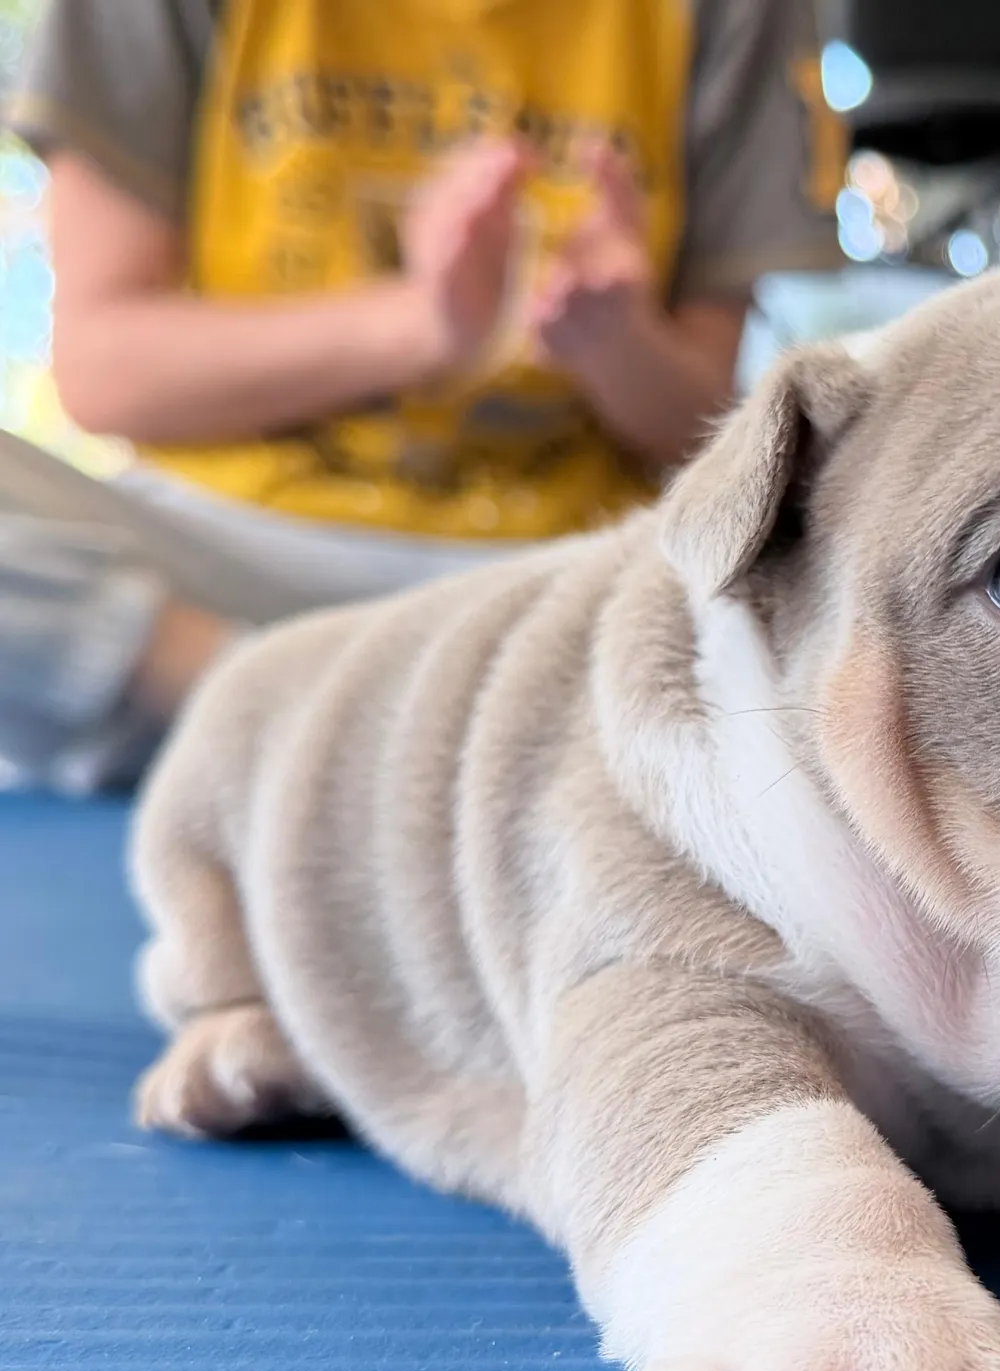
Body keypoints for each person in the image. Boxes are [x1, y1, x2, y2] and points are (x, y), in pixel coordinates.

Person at [0, 0, 844, 789]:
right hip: (220, 569)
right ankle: (293, 727)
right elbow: (105, 372)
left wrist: (612, 341)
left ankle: (296, 753)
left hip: (562, 587)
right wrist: (422, 327)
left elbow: (703, 435)